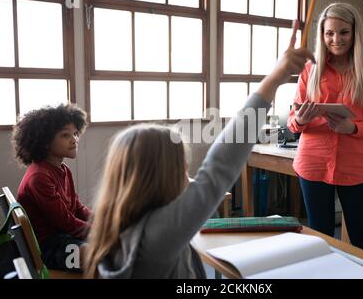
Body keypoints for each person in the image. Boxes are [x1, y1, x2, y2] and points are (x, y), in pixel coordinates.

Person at [84, 21, 315, 279]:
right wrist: (274, 79)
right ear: (161, 177)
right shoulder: (157, 234)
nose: (189, 174)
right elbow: (218, 168)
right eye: (182, 166)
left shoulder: (119, 225)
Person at [287, 2, 363, 250]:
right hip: (312, 163)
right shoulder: (309, 69)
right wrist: (300, 120)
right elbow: (293, 121)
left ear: (355, 33)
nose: (336, 39)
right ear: (322, 35)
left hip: (355, 166)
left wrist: (353, 128)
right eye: (329, 33)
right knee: (320, 240)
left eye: (343, 32)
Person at [12, 104, 91, 271]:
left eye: (75, 134)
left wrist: (103, 220)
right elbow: (66, 223)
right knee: (107, 253)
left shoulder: (64, 170)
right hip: (49, 250)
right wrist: (104, 231)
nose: (74, 140)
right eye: (65, 135)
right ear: (45, 141)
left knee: (113, 246)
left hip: (63, 239)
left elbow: (77, 208)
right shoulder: (39, 177)